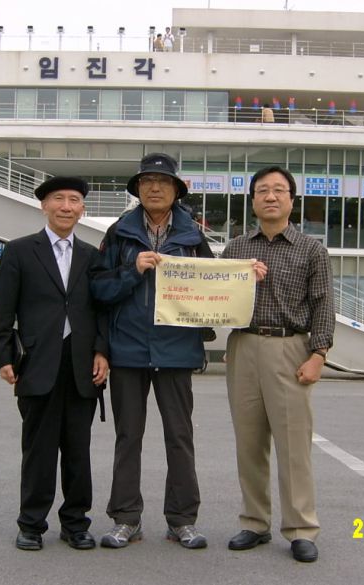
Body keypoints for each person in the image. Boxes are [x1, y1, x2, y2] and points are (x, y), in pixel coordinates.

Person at [90, 153, 214, 550]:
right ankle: (126, 518)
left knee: (180, 436)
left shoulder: (194, 237)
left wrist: (245, 278)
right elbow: (98, 290)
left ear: (177, 190)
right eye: (147, 182)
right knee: (128, 436)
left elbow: (215, 290)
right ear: (138, 190)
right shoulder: (119, 233)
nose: (154, 188)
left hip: (177, 351)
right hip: (127, 350)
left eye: (163, 182)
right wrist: (133, 270)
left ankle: (182, 520)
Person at [221, 165, 335, 563]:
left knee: (293, 444)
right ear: (252, 200)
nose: (270, 197)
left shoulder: (311, 249)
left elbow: (323, 305)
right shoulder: (235, 249)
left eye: (279, 190)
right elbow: (218, 297)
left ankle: (301, 527)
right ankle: (254, 522)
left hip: (290, 348)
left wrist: (318, 354)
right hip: (243, 345)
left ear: (291, 199)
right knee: (248, 442)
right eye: (262, 191)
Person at [0, 175, 109, 552]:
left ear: (82, 209)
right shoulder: (20, 251)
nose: (66, 207)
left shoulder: (93, 256)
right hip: (37, 364)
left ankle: (75, 524)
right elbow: (2, 308)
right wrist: (3, 356)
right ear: (44, 206)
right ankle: (31, 524)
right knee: (38, 450)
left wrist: (103, 351)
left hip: (81, 365)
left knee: (78, 450)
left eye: (74, 200)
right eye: (58, 199)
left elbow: (103, 309)